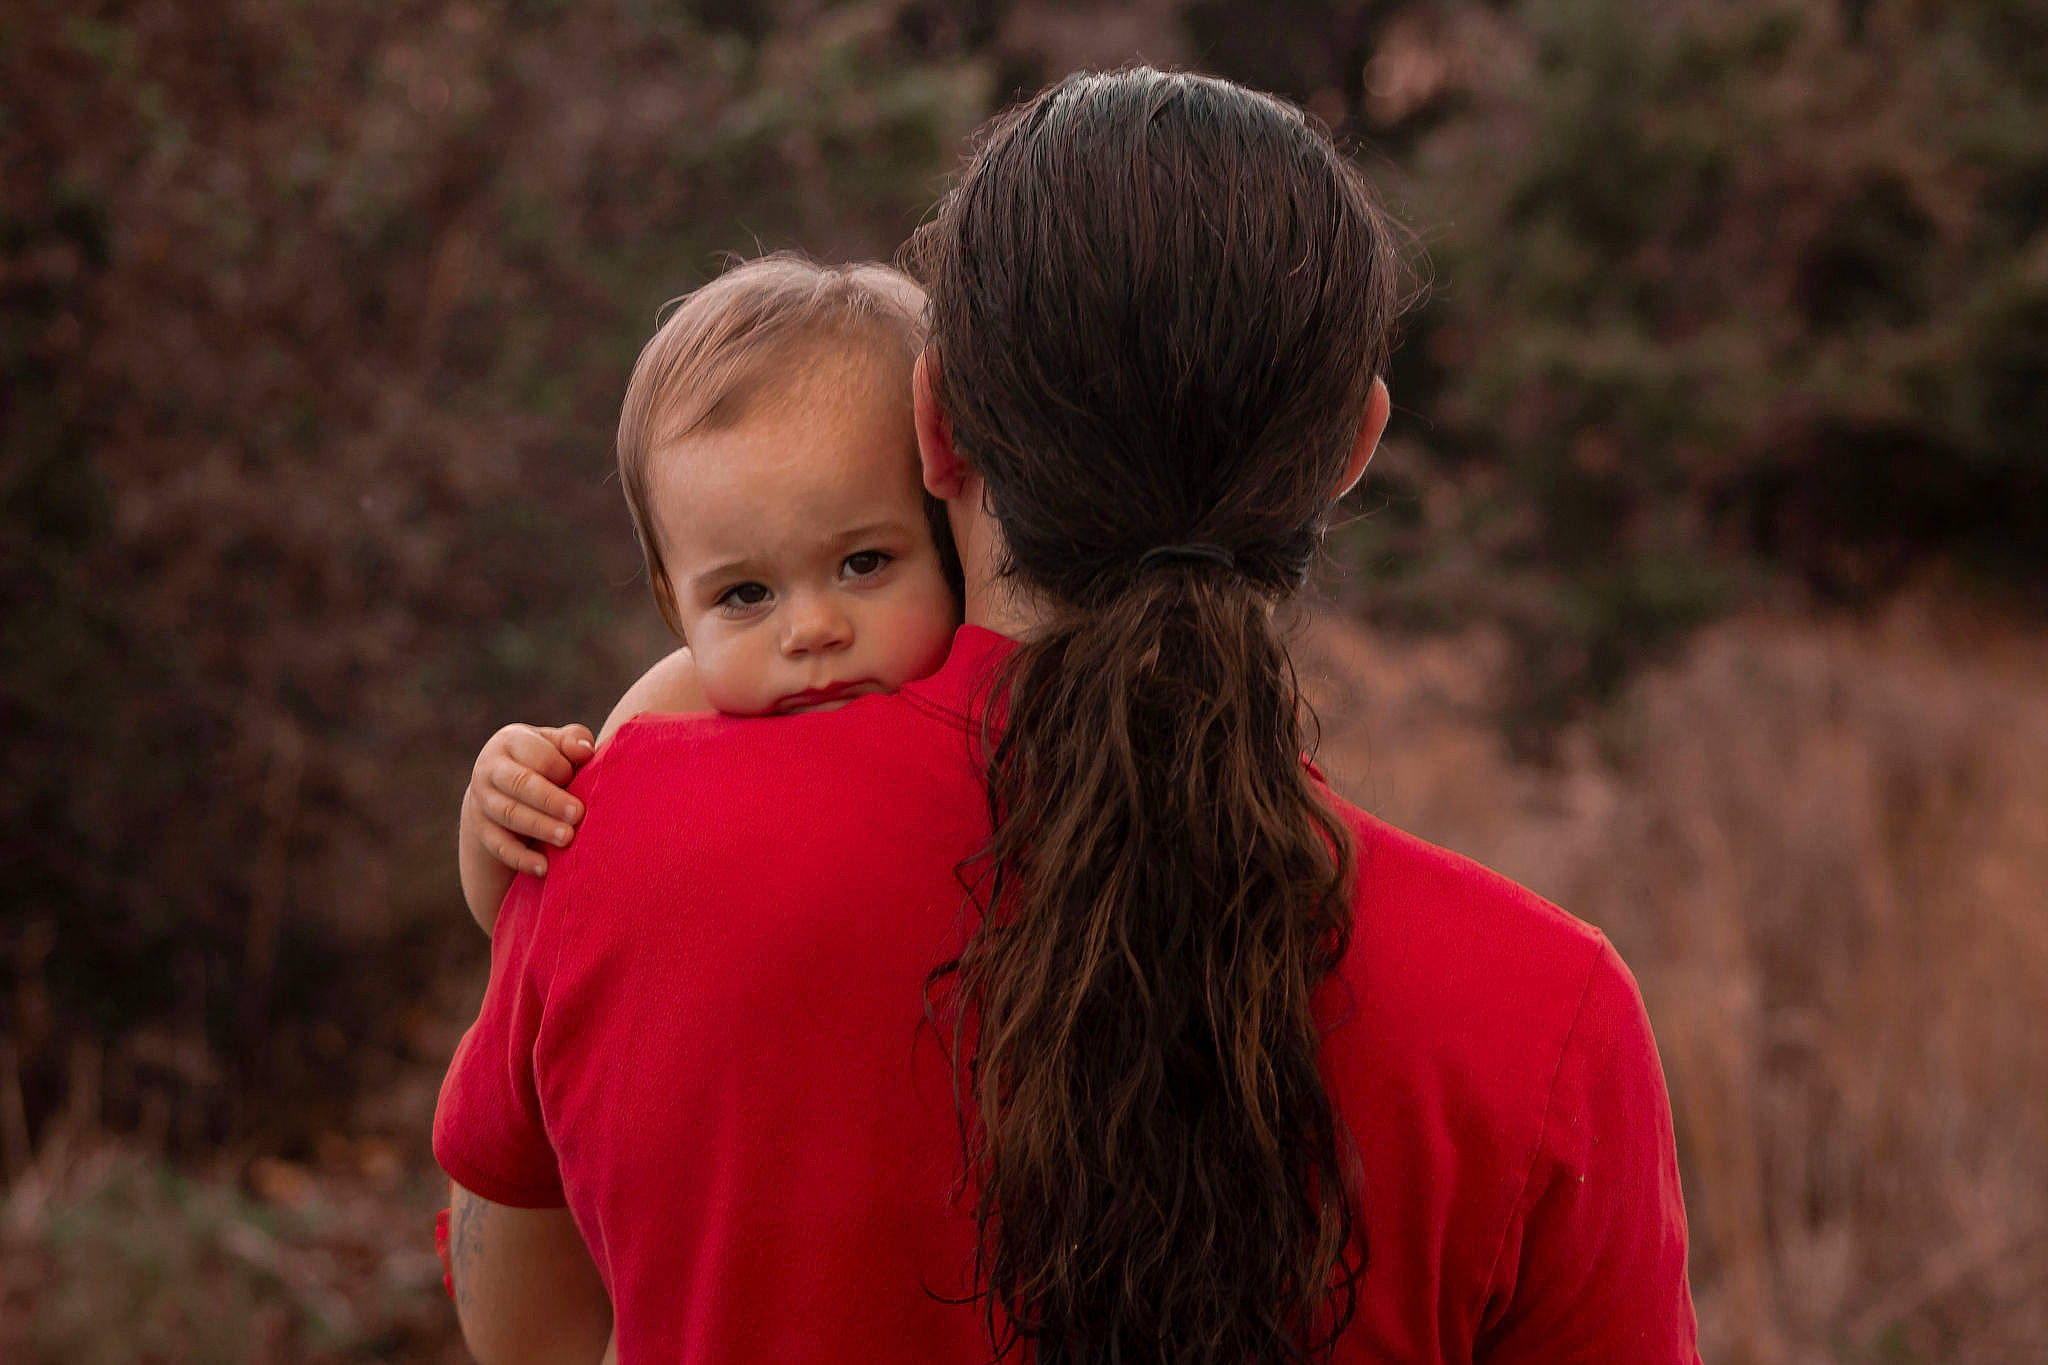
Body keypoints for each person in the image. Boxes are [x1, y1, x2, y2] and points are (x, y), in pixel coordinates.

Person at [434, 67, 1700, 1363]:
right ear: (1350, 448)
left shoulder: (611, 844)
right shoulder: (1550, 1018)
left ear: (935, 425)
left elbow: (521, 1331)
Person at [454, 253, 963, 932]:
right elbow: (543, 918)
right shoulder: (673, 710)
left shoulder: (983, 688)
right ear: (677, 611)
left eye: (863, 562)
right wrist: (495, 813)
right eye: (747, 593)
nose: (811, 628)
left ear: (948, 544)